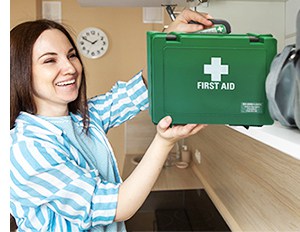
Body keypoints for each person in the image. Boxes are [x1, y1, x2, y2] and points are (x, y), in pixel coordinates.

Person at [10, 9, 212, 231]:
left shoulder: (83, 118)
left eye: (71, 55)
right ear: (20, 72)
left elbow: (138, 90)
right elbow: (117, 206)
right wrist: (164, 142)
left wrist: (168, 41)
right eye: (49, 60)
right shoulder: (25, 148)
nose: (70, 68)